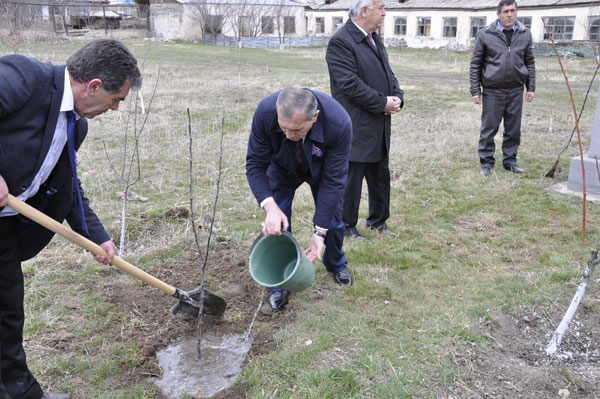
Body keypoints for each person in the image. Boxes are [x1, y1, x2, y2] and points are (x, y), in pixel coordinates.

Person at [0, 39, 141, 399]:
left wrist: (98, 236)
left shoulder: (76, 125)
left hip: (3, 223)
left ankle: (20, 392)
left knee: (7, 310)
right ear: (94, 86)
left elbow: (67, 184)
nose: (115, 108)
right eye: (116, 99)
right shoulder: (25, 78)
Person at [246, 87, 353, 312]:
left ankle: (336, 264)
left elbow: (334, 182)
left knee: (331, 220)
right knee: (277, 223)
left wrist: (319, 231)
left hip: (322, 171)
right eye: (282, 127)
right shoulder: (265, 112)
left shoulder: (338, 122)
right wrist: (269, 206)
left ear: (314, 117)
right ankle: (278, 283)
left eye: (295, 130)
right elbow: (255, 163)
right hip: (281, 167)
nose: (287, 135)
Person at [326, 0, 404, 241]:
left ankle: (378, 221)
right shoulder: (341, 42)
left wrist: (398, 97)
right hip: (355, 124)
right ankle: (347, 227)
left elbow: (387, 74)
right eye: (380, 8)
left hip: (379, 123)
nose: (384, 13)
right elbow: (349, 85)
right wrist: (382, 103)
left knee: (380, 174)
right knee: (352, 178)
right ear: (363, 11)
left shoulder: (374, 38)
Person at [469, 0, 535, 177]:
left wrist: (531, 87)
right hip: (492, 91)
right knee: (489, 129)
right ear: (498, 14)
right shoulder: (485, 34)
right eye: (506, 11)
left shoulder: (525, 34)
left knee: (513, 129)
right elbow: (475, 64)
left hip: (515, 90)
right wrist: (475, 90)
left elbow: (529, 62)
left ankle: (510, 161)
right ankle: (486, 163)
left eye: (513, 11)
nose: (510, 15)